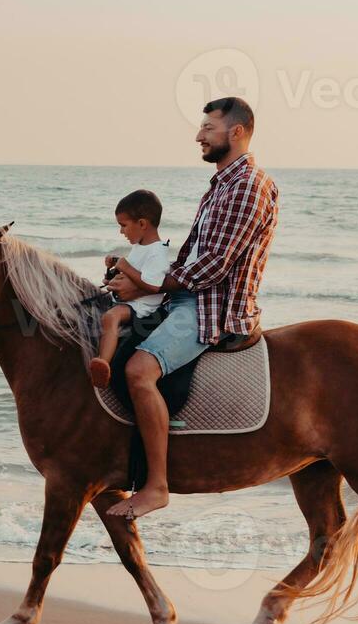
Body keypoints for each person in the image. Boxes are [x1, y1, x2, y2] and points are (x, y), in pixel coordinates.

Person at [104, 97, 279, 519]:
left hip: (211, 308)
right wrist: (134, 282)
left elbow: (214, 265)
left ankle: (156, 486)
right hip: (187, 295)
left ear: (235, 132)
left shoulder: (248, 186)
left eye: (208, 127)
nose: (199, 135)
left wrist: (148, 283)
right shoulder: (221, 184)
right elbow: (189, 258)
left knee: (139, 371)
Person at [89, 190, 171, 389]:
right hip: (129, 301)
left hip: (142, 307)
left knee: (110, 317)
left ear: (142, 224)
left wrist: (124, 266)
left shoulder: (158, 252)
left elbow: (153, 284)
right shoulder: (140, 246)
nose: (121, 232)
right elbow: (132, 273)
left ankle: (103, 363)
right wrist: (114, 271)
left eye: (123, 226)